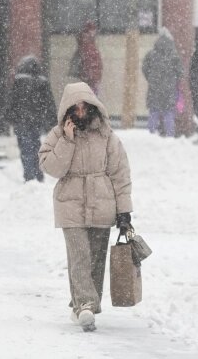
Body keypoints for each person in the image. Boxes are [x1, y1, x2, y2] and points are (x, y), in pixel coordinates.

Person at [38, 81, 133, 333]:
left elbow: (120, 174)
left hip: (102, 203)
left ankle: (83, 304)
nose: (80, 111)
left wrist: (124, 211)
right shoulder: (57, 135)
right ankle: (86, 306)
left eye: (84, 106)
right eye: (75, 107)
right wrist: (67, 141)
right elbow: (52, 168)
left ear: (92, 106)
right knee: (79, 256)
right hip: (70, 203)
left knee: (96, 261)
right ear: (67, 109)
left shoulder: (107, 136)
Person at [5, 55, 56, 182]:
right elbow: (49, 103)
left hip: (21, 120)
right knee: (36, 146)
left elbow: (12, 101)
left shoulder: (19, 81)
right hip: (37, 120)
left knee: (25, 148)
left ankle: (29, 175)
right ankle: (38, 174)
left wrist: (9, 117)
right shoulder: (43, 82)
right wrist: (52, 120)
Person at [142, 28, 183, 137]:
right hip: (169, 88)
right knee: (168, 112)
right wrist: (173, 80)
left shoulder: (151, 54)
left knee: (154, 111)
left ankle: (151, 133)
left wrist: (151, 78)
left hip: (154, 87)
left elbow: (145, 68)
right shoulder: (174, 55)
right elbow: (180, 72)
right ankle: (170, 135)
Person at [69, 20, 103, 93]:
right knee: (90, 99)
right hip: (90, 81)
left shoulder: (85, 45)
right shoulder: (89, 47)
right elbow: (92, 64)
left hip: (87, 80)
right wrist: (93, 78)